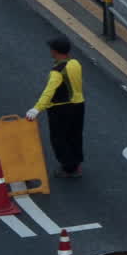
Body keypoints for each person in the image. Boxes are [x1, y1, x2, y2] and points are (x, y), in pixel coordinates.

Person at [26, 35, 85, 178]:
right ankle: (76, 164)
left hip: (61, 109)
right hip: (79, 105)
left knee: (59, 138)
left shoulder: (57, 72)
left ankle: (68, 168)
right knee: (75, 135)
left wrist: (36, 109)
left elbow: (49, 92)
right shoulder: (75, 63)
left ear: (55, 51)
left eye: (51, 49)